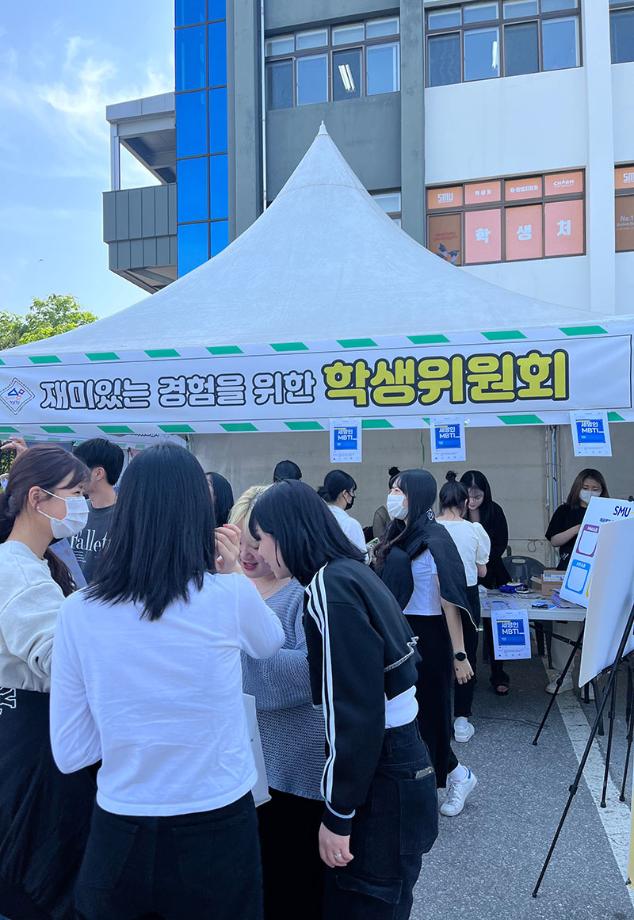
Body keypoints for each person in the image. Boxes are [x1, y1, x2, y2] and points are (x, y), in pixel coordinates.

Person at [49, 444, 285, 920]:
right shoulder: (227, 596)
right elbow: (269, 642)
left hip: (120, 827)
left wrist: (133, 728)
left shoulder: (78, 611)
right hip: (218, 822)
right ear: (199, 515)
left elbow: (71, 751)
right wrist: (233, 574)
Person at [250, 480, 437, 920]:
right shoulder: (350, 571)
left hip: (383, 770)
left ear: (286, 534)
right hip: (402, 760)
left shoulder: (327, 588)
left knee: (363, 902)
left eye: (261, 539)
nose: (260, 553)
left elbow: (352, 711)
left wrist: (337, 814)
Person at [0, 445, 96, 920]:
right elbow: (62, 660)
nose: (81, 506)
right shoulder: (17, 571)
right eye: (75, 494)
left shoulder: (36, 562)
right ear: (37, 498)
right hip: (32, 745)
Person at [229, 486, 325, 920]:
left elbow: (308, 673)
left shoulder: (303, 593)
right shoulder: (229, 588)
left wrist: (231, 658)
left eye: (259, 543)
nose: (249, 555)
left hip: (294, 766)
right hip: (241, 767)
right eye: (241, 543)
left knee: (292, 883)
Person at [376, 470, 477, 819]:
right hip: (400, 631)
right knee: (404, 717)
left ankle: (452, 778)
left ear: (416, 495)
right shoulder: (397, 534)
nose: (393, 496)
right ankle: (447, 777)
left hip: (431, 635)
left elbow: (450, 600)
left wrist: (459, 654)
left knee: (431, 717)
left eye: (399, 491)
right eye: (391, 489)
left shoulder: (435, 539)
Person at [437, 472, 490, 744]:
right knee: (466, 655)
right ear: (464, 503)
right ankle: (461, 719)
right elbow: (482, 571)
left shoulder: (430, 528)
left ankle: (436, 716)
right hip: (466, 595)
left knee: (437, 656)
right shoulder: (474, 530)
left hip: (433, 597)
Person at [544, 469, 608, 694]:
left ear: (602, 491)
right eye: (586, 488)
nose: (590, 492)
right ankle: (563, 676)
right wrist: (578, 528)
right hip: (569, 576)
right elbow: (554, 539)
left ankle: (591, 679)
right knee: (565, 626)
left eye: (595, 489)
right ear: (577, 488)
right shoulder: (565, 510)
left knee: (595, 629)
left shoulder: (608, 512)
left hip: (600, 576)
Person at [460, 469, 511, 696]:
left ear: (485, 494)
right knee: (465, 626)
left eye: (477, 496)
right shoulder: (457, 511)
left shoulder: (494, 510)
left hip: (492, 574)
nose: (472, 501)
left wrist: (483, 561)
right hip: (464, 575)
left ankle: (498, 674)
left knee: (494, 626)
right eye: (468, 496)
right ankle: (465, 673)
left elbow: (501, 543)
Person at [71, 438, 124, 583]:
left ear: (98, 473)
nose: (72, 475)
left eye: (78, 469)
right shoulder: (74, 510)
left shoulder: (126, 517)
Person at [317, 470, 368, 557]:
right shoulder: (350, 524)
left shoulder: (316, 518)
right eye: (352, 491)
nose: (353, 496)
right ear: (345, 494)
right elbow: (362, 558)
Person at [372, 467, 400, 539]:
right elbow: (377, 542)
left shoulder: (409, 511)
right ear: (390, 491)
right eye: (398, 491)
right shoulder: (381, 514)